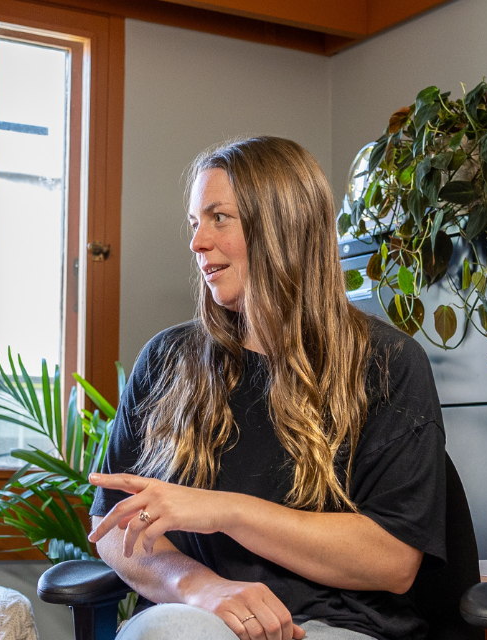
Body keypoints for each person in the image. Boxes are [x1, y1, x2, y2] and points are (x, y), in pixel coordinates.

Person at [87, 136, 448, 640]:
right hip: (197, 619)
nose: (197, 242)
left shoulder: (388, 363)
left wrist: (226, 511)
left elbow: (393, 560)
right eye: (194, 223)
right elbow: (111, 524)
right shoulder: (166, 359)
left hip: (335, 627)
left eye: (218, 218)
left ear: (282, 227)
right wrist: (199, 587)